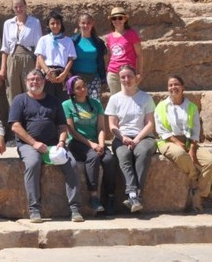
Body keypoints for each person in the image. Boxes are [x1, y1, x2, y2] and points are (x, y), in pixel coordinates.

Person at [9, 69, 83, 223]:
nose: (34, 82)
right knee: (33, 163)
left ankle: (75, 208)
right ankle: (34, 209)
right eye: (31, 79)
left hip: (53, 144)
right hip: (28, 144)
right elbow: (15, 126)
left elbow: (63, 126)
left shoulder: (54, 101)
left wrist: (62, 143)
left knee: (71, 163)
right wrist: (34, 143)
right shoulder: (19, 100)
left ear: (44, 82)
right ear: (26, 82)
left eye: (38, 79)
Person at [156, 75, 212, 213]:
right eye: (170, 85)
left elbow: (195, 130)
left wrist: (193, 149)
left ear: (183, 87)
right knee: (179, 154)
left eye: (176, 84)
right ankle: (198, 180)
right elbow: (161, 129)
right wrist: (177, 142)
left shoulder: (191, 107)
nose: (173, 88)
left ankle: (199, 192)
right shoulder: (161, 106)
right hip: (167, 140)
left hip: (189, 141)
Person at [105, 64, 156, 214]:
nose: (126, 79)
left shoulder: (146, 98)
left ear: (136, 78)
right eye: (123, 77)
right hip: (121, 137)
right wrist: (123, 137)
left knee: (142, 152)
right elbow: (112, 125)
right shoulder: (114, 99)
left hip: (144, 137)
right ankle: (134, 195)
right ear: (119, 79)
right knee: (124, 154)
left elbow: (150, 124)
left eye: (130, 76)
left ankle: (134, 195)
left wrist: (137, 139)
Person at [63, 75, 117, 215]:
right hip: (77, 142)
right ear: (72, 91)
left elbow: (101, 128)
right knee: (93, 157)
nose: (82, 90)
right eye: (78, 88)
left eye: (84, 86)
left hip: (96, 142)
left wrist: (100, 144)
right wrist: (92, 145)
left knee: (109, 159)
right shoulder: (66, 105)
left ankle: (110, 197)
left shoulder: (96, 103)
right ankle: (93, 196)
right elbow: (72, 131)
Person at [0, 0, 42, 111]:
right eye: (16, 7)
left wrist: (37, 69)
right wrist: (3, 68)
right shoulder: (8, 24)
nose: (19, 9)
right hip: (12, 59)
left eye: (21, 6)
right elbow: (5, 48)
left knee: (30, 89)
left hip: (28, 58)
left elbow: (39, 48)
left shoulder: (34, 22)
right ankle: (15, 122)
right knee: (12, 91)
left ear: (25, 6)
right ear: (13, 8)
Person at [34, 11, 76, 102]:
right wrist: (48, 72)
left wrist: (64, 74)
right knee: (47, 100)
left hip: (62, 74)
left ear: (61, 24)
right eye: (52, 23)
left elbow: (71, 59)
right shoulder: (43, 39)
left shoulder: (68, 41)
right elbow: (40, 57)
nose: (55, 26)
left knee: (62, 102)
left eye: (58, 23)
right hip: (47, 74)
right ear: (48, 25)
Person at [71, 11, 108, 100]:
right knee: (78, 103)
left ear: (92, 24)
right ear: (79, 24)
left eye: (88, 23)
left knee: (95, 103)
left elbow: (102, 60)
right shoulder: (73, 41)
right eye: (83, 23)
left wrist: (103, 77)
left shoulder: (99, 43)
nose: (85, 25)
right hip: (76, 78)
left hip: (94, 77)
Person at [106, 6, 143, 94]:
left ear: (125, 19)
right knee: (116, 100)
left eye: (120, 18)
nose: (117, 21)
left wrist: (139, 73)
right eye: (114, 18)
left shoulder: (131, 34)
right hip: (113, 74)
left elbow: (139, 55)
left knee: (130, 98)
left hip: (128, 73)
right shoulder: (109, 37)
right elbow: (112, 55)